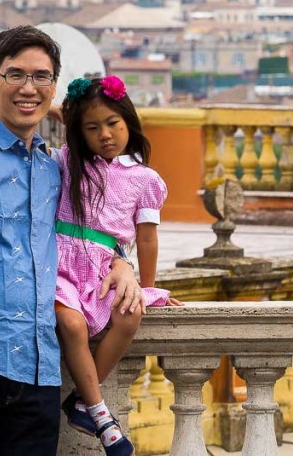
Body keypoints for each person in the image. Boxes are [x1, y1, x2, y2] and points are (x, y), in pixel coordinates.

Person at [0, 26, 144, 456]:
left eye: (41, 77)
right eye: (15, 75)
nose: (28, 87)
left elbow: (91, 228)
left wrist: (121, 263)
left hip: (38, 373)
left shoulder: (51, 167)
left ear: (54, 86)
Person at [51, 75, 178, 456]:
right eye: (93, 128)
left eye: (113, 124)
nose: (105, 134)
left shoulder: (145, 180)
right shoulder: (69, 162)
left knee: (130, 314)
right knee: (70, 323)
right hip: (59, 262)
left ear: (129, 122)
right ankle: (102, 416)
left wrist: (148, 287)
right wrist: (69, 115)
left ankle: (80, 401)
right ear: (80, 133)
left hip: (105, 267)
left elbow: (147, 237)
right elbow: (55, 114)